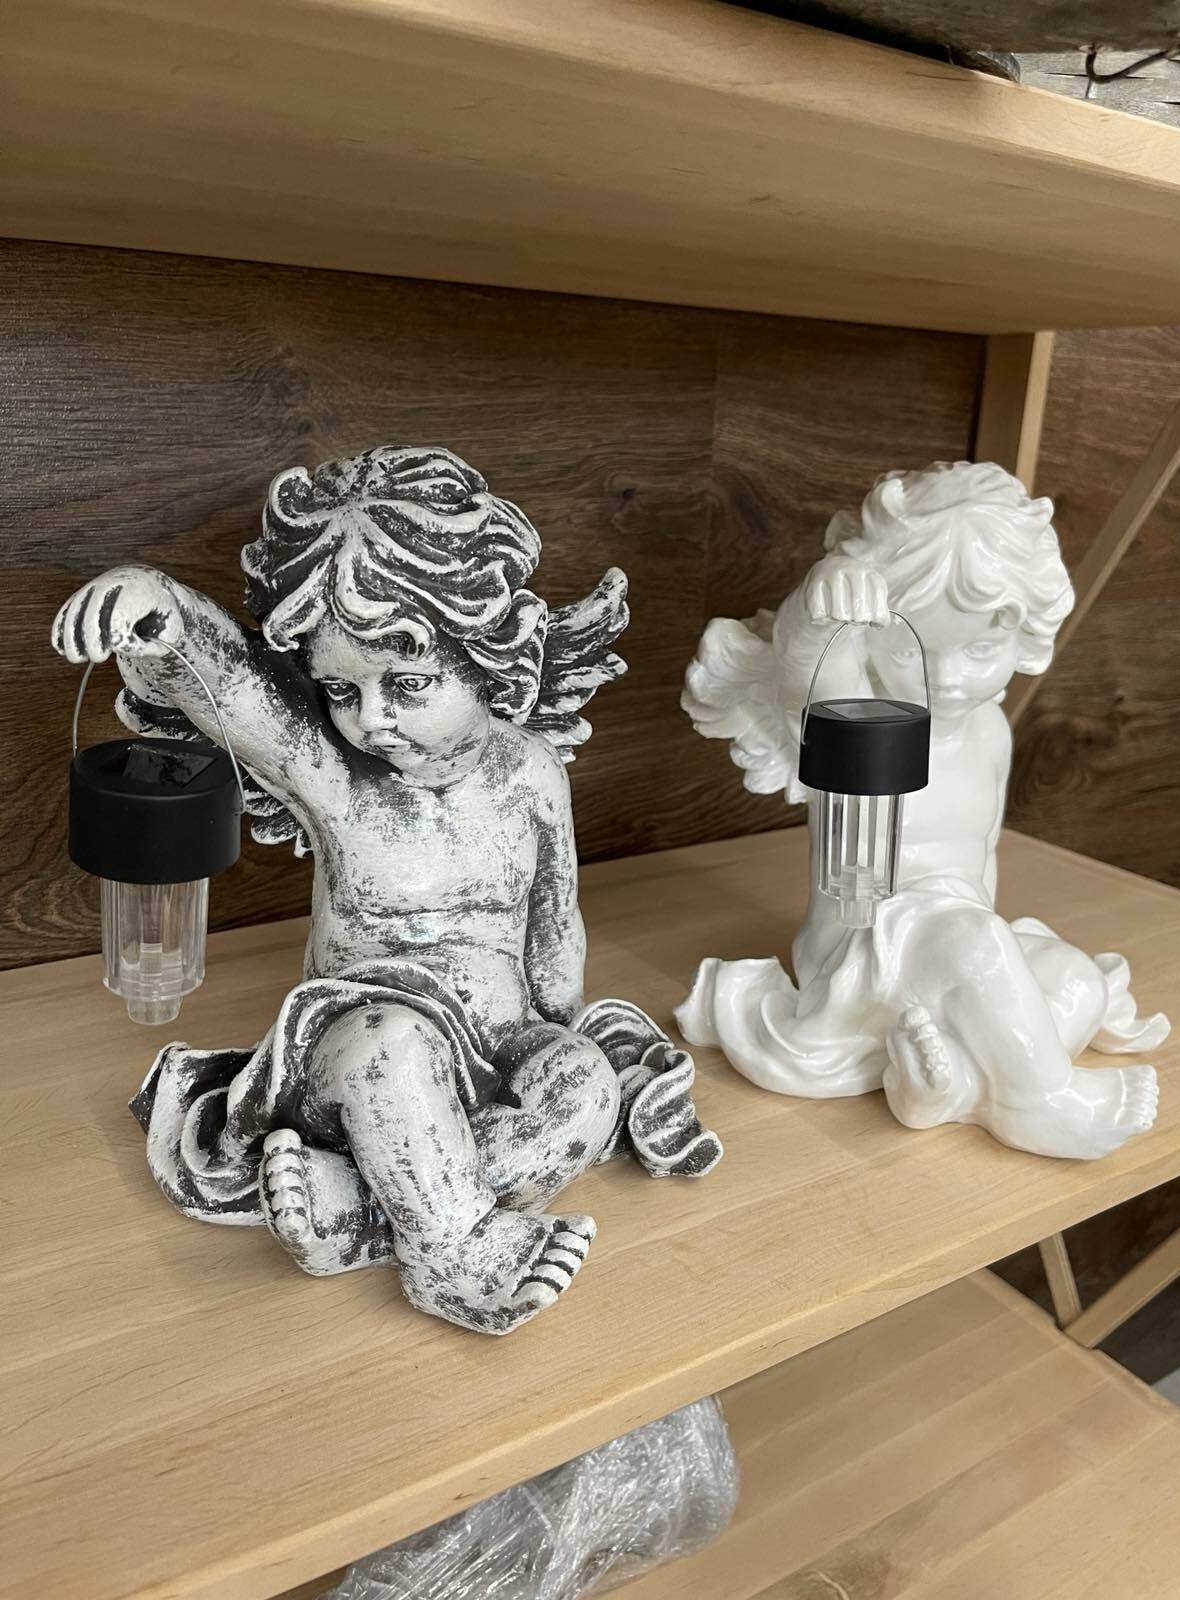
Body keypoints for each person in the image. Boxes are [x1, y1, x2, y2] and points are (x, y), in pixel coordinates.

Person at [54, 445, 720, 1333]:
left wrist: (559, 1033)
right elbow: (238, 691)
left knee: (586, 1086)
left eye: (407, 684)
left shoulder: (531, 771)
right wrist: (160, 612)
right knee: (390, 1047)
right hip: (356, 1050)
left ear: (488, 660)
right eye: (340, 688)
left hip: (499, 1041)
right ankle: (452, 1253)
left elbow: (554, 918)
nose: (370, 718)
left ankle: (363, 1214)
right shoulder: (335, 774)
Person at [678, 461, 1166, 1160]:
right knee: (976, 942)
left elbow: (983, 859)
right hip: (861, 943)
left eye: (981, 648)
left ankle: (957, 1085)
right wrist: (822, 610)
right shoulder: (863, 724)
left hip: (961, 945)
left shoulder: (992, 731)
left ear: (1026, 631)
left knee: (1075, 981)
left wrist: (985, 968)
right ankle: (1037, 1100)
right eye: (917, 653)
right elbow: (804, 681)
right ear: (870, 640)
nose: (949, 678)